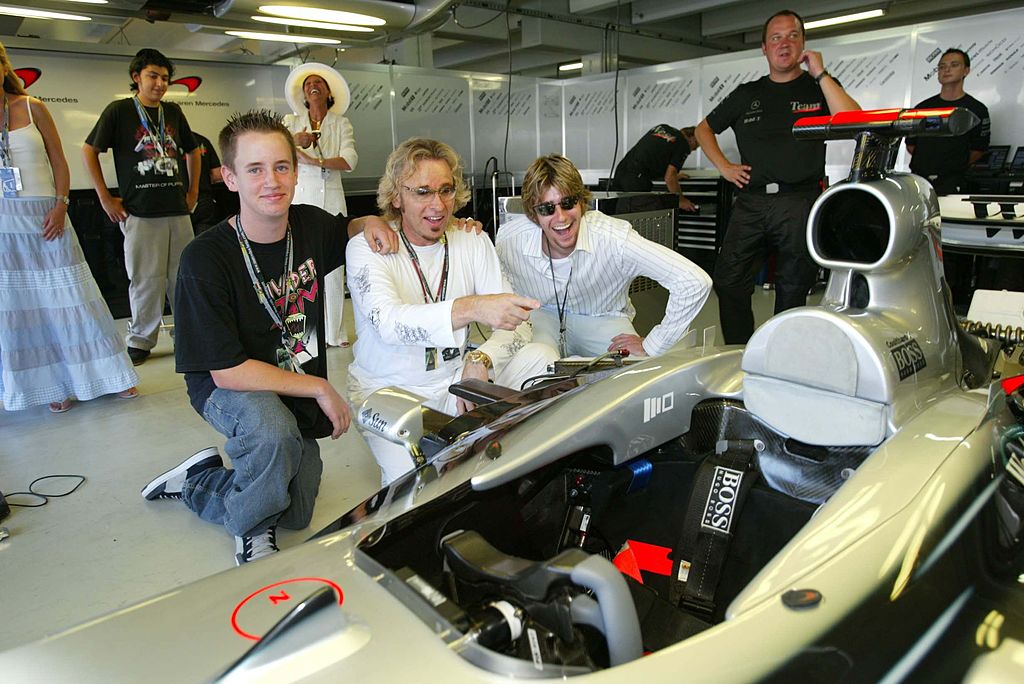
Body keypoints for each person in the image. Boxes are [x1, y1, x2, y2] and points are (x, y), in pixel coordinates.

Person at [140, 109, 397, 565]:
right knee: (272, 433)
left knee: (294, 512)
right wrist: (319, 387)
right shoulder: (205, 259)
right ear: (230, 178)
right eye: (255, 169)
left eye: (281, 166)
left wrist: (369, 222)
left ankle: (199, 479)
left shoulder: (310, 226)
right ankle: (253, 531)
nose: (271, 181)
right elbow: (227, 371)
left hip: (287, 380)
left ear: (296, 172)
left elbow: (349, 228)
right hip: (227, 386)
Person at [346, 137, 552, 485]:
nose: (438, 205)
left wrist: (482, 359)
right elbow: (390, 324)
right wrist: (472, 307)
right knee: (419, 487)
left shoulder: (471, 239)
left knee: (541, 357)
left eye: (446, 190)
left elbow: (517, 323)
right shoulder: (367, 247)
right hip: (389, 392)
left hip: (457, 382)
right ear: (396, 197)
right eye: (422, 192)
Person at [694, 9, 861, 345]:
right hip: (751, 201)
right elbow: (703, 129)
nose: (784, 44)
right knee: (728, 280)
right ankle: (740, 350)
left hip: (799, 201)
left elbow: (854, 121)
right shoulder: (747, 94)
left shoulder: (818, 88)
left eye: (792, 36)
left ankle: (782, 354)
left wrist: (821, 73)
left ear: (804, 44)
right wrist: (725, 167)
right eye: (776, 38)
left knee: (793, 287)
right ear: (764, 48)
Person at [0, 41, 138, 413]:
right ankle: (50, 385)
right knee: (24, 306)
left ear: (3, 66)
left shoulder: (32, 106)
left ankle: (112, 376)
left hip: (46, 213)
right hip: (4, 222)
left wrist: (61, 204)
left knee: (71, 296)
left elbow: (59, 161)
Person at [497, 154, 712, 360]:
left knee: (633, 370)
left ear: (581, 202)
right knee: (532, 366)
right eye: (547, 208)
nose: (561, 217)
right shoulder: (510, 240)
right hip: (542, 317)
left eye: (568, 202)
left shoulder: (615, 239)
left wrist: (653, 344)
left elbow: (694, 282)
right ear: (534, 215)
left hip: (602, 316)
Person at [82, 48, 201, 366]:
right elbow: (89, 150)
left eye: (165, 78)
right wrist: (105, 198)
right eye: (153, 76)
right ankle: (141, 340)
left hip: (177, 210)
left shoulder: (173, 111)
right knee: (146, 280)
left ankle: (188, 335)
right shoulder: (119, 111)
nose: (159, 83)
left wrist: (192, 191)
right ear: (136, 77)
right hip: (140, 210)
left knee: (184, 278)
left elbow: (193, 151)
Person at [283, 63, 358, 348]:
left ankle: (335, 333)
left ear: (328, 91)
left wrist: (316, 161)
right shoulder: (291, 122)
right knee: (302, 268)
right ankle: (304, 331)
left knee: (334, 268)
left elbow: (349, 160)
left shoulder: (341, 123)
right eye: (308, 84)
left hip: (332, 201)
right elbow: (276, 148)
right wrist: (295, 140)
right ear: (303, 94)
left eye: (318, 83)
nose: (313, 87)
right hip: (301, 200)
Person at [905, 48, 990, 195]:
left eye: (954, 65)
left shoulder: (977, 109)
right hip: (920, 181)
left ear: (966, 71)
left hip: (954, 182)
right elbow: (911, 145)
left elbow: (979, 149)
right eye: (942, 66)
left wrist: (953, 165)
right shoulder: (922, 108)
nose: (947, 70)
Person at [612, 124, 700, 212]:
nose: (693, 150)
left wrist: (674, 176)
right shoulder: (683, 144)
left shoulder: (662, 128)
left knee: (618, 214)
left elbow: (653, 156)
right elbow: (669, 178)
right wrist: (681, 200)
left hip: (621, 171)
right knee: (643, 215)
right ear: (692, 138)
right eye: (696, 145)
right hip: (636, 180)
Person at [183, 131, 223, 235]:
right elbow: (217, 174)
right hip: (204, 200)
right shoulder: (202, 141)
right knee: (204, 239)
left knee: (183, 240)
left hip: (181, 201)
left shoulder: (170, 143)